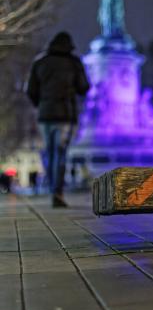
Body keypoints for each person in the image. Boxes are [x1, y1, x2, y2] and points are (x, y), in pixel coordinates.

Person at [26, 32, 90, 207]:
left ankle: (52, 187)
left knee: (50, 151)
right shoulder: (74, 63)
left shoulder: (40, 62)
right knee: (61, 153)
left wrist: (41, 103)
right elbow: (84, 87)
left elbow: (30, 90)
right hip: (65, 114)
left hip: (45, 115)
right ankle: (57, 191)